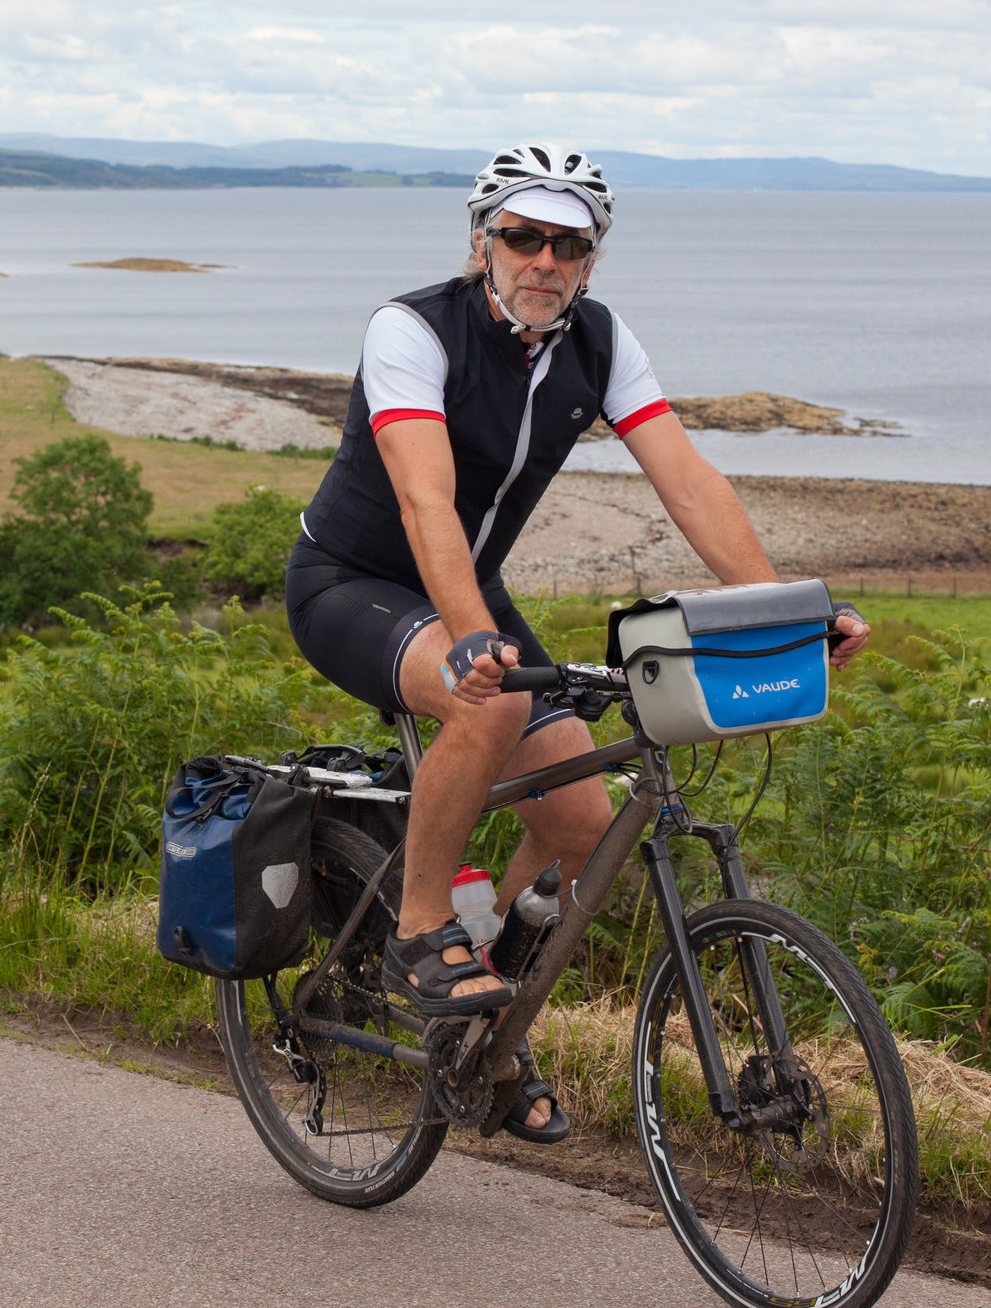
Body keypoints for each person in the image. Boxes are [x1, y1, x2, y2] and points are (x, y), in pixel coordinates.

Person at [284, 143, 869, 1141]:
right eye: (522, 235)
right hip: (357, 582)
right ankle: (419, 927)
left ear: (591, 259)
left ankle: (488, 1042)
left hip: (470, 589)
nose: (543, 258)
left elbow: (684, 477)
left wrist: (780, 609)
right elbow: (425, 496)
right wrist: (470, 641)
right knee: (491, 697)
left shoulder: (596, 341)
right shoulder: (411, 329)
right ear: (483, 242)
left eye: (568, 241)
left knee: (583, 831)